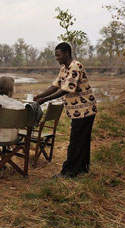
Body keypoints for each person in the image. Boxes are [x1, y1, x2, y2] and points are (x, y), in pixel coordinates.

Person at [34, 42, 97, 178]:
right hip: (78, 110)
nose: (57, 58)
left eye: (59, 55)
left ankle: (68, 172)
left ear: (67, 53)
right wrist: (40, 95)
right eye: (56, 56)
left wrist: (44, 100)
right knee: (82, 140)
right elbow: (55, 86)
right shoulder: (64, 69)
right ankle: (82, 169)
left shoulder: (75, 66)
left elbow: (66, 89)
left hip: (85, 109)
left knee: (76, 141)